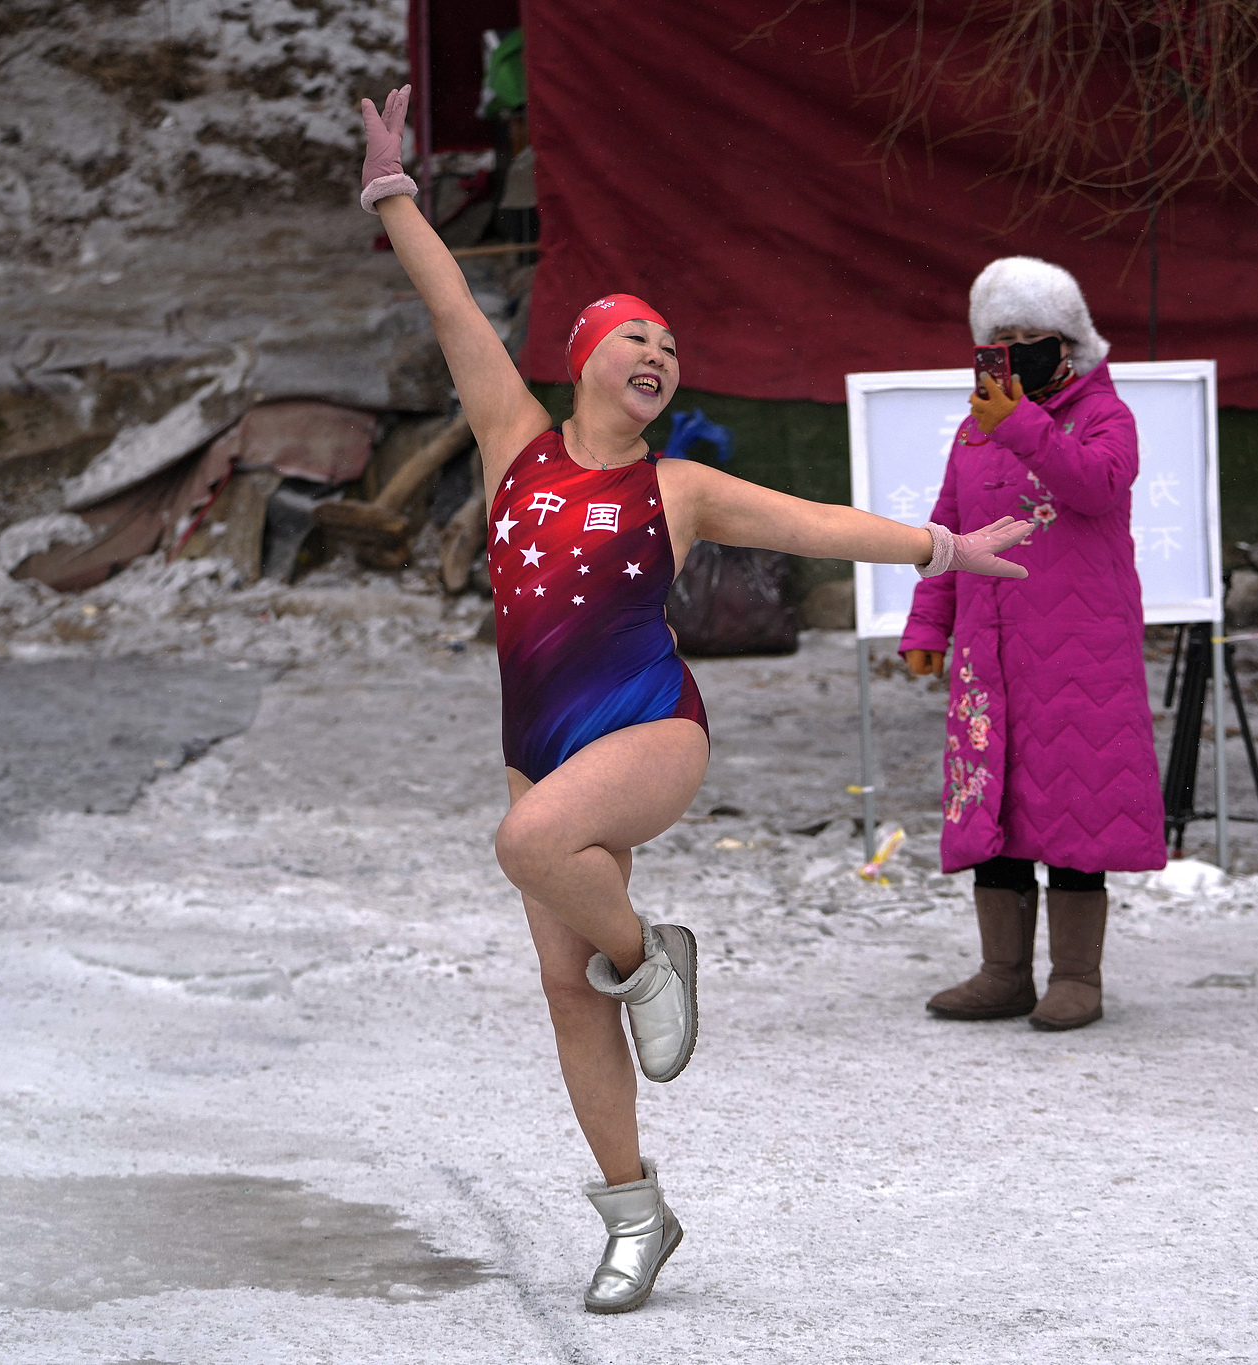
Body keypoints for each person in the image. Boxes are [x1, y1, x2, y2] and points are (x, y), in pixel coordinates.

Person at [356, 88, 1033, 1313]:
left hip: (647, 726)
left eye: (669, 344)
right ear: (582, 361)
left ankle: (651, 953)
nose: (657, 355)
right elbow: (454, 307)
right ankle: (634, 1214)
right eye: (635, 337)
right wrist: (395, 192)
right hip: (533, 740)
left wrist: (941, 547)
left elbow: (817, 525)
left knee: (527, 847)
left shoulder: (681, 486)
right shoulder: (515, 443)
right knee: (565, 993)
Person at [902, 257, 1167, 1032]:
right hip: (992, 657)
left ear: (1072, 341)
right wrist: (928, 626)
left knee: (1078, 809)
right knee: (997, 810)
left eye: (1032, 336)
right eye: (1000, 336)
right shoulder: (972, 431)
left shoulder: (1105, 416)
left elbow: (1094, 484)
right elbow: (947, 534)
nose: (1015, 349)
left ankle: (1076, 976)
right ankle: (1003, 972)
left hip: (1084, 656)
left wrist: (1017, 423)